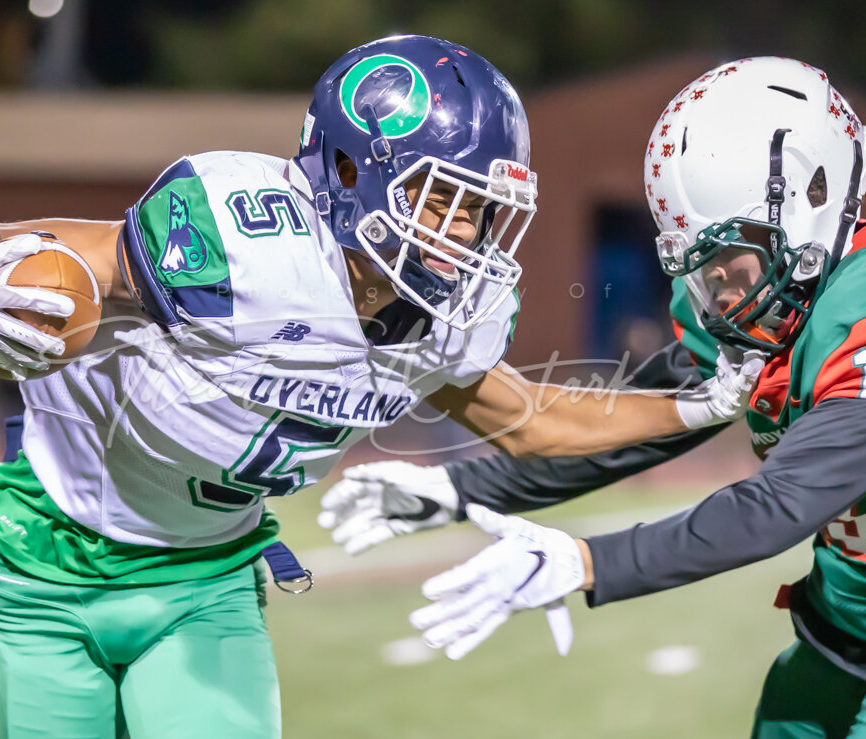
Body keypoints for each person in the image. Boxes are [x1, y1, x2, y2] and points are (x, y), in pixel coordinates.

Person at [0, 36, 755, 739]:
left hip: (207, 577)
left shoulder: (450, 314)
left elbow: (530, 421)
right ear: (351, 173)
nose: (463, 233)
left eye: (479, 209)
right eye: (438, 197)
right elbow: (31, 263)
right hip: (51, 553)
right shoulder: (242, 242)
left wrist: (698, 404)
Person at [320, 56, 866, 736]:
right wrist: (461, 490)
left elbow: (780, 503)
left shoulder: (853, 314)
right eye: (704, 267)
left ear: (817, 198)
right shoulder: (769, 309)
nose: (723, 294)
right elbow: (633, 431)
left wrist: (587, 562)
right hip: (834, 643)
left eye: (734, 260)